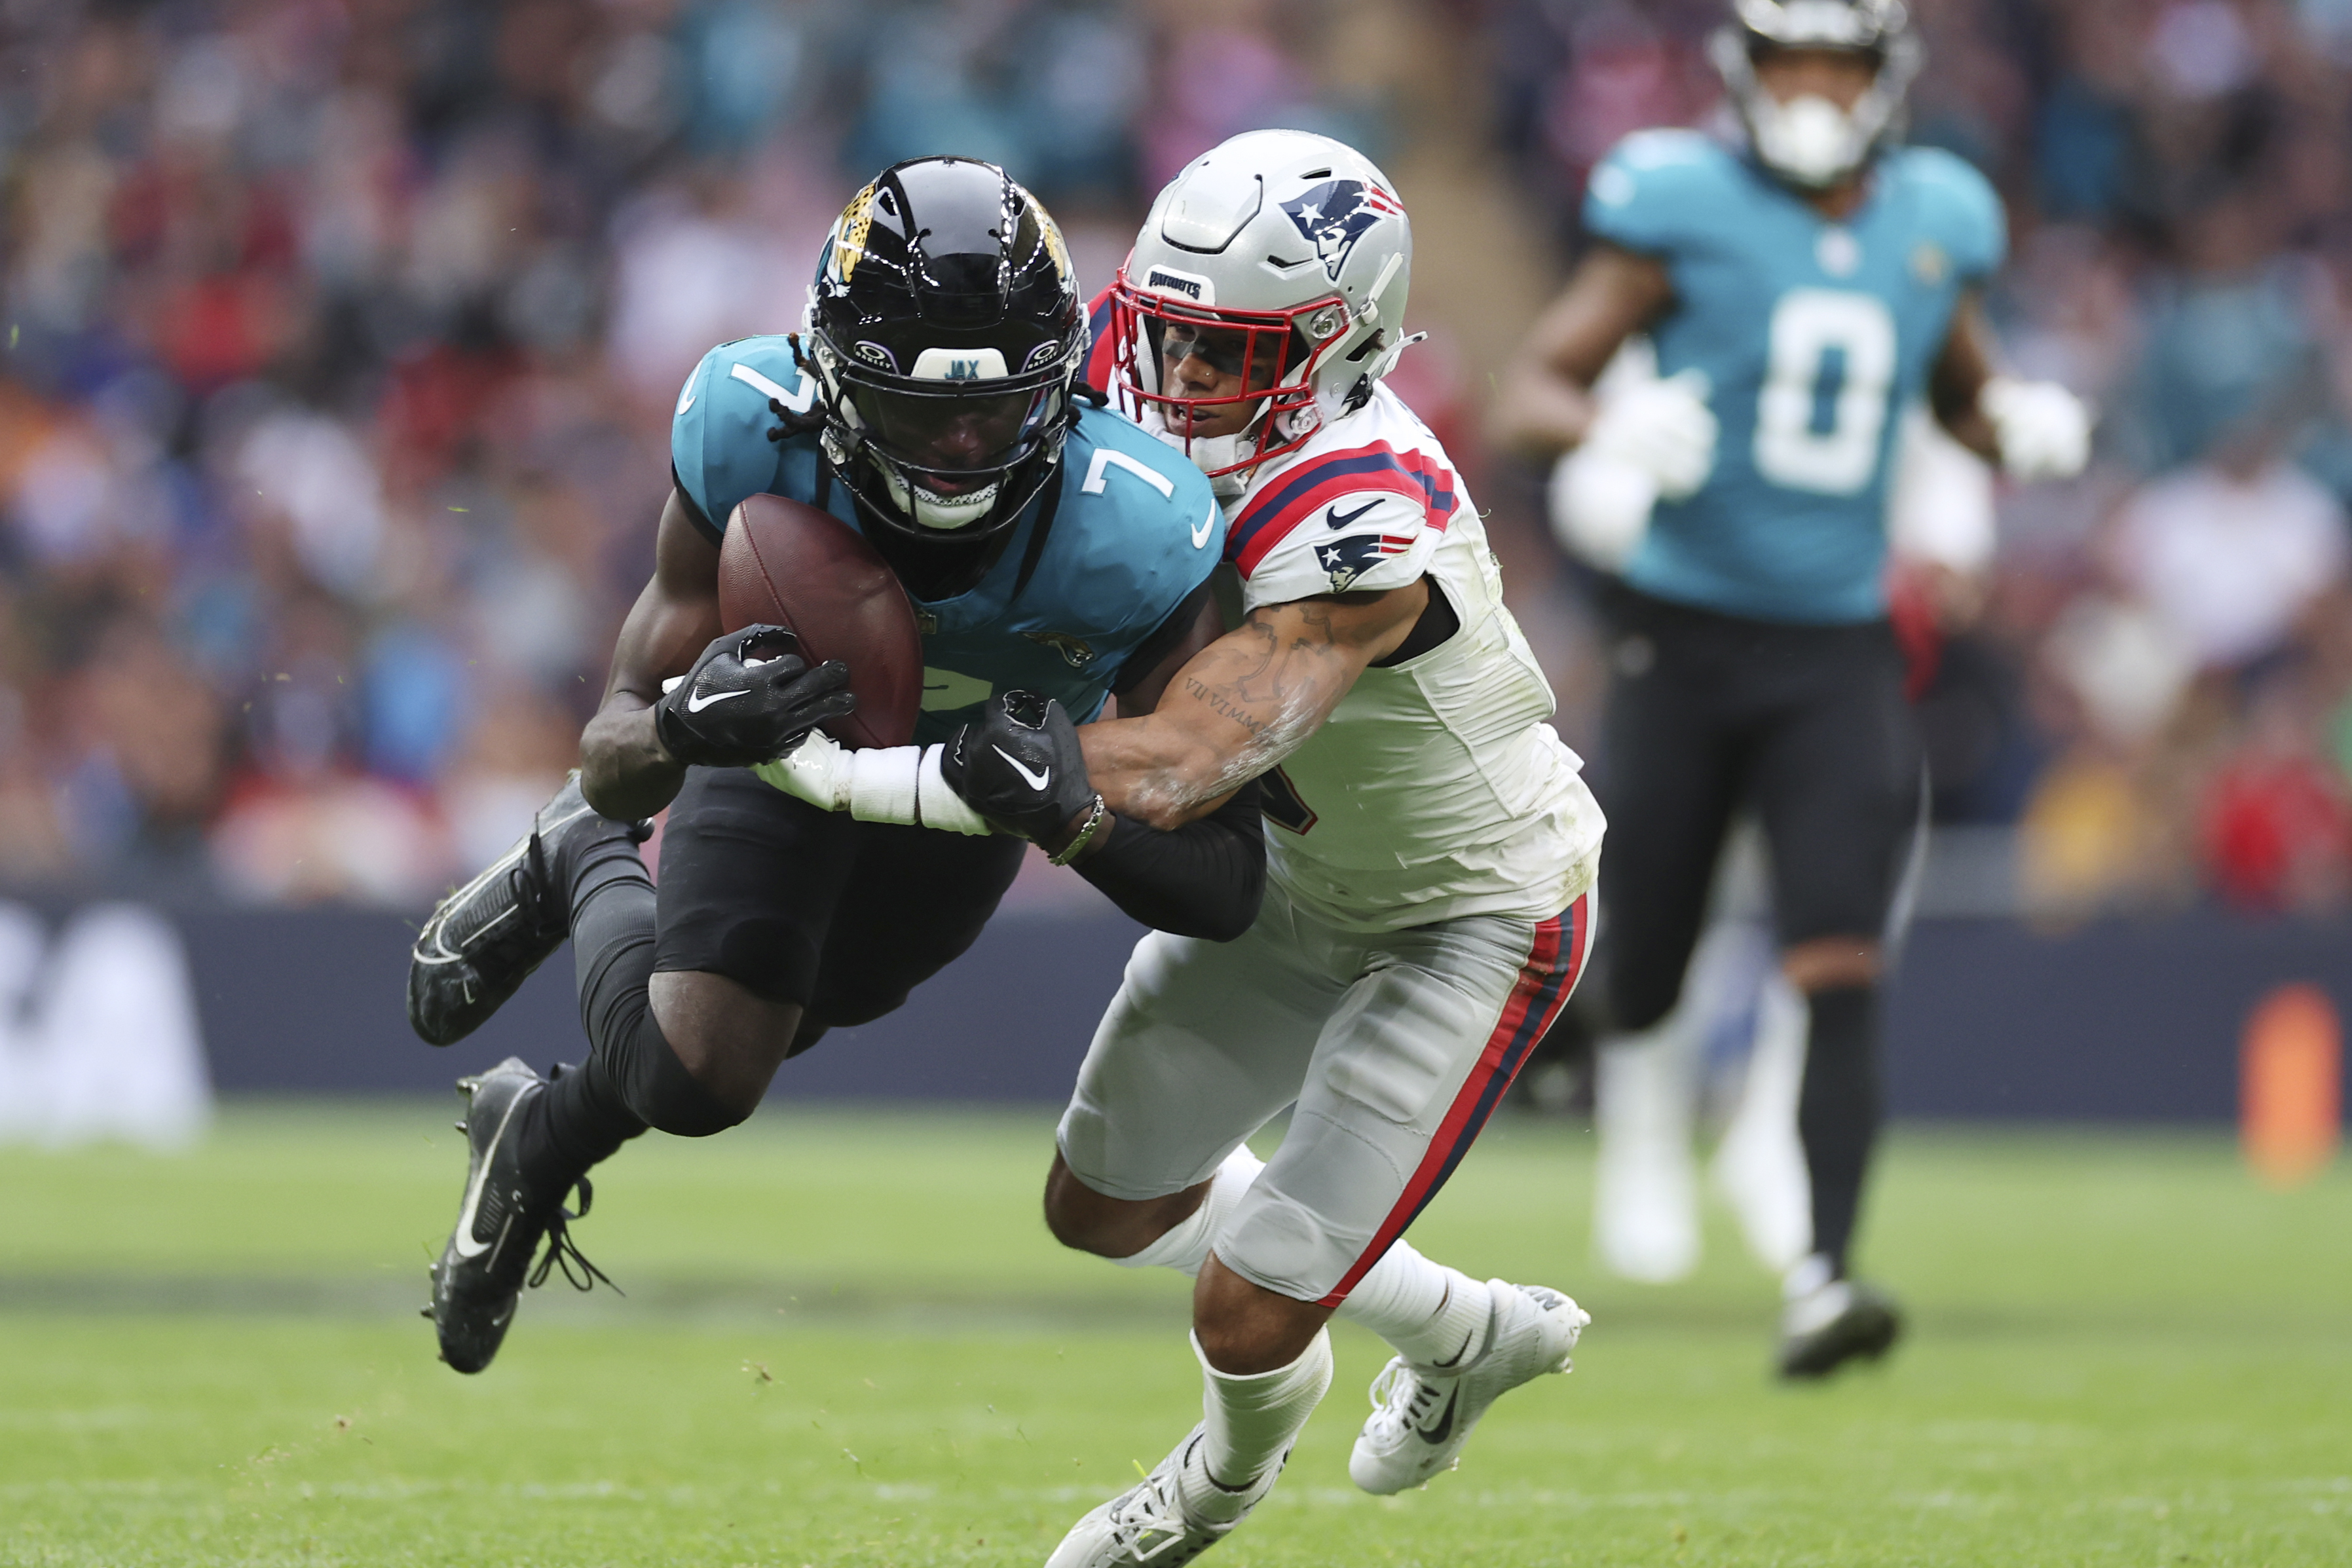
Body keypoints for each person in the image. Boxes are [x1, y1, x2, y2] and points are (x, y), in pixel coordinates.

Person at [774, 128, 1607, 1565]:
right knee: (1099, 1205)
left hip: (1467, 910)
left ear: (1342, 347)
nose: (1178, 376)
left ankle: (1203, 1497)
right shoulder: (1112, 352)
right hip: (1292, 890)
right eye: (1170, 332)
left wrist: (856, 774)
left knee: (1247, 1305)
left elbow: (1183, 759)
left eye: (1231, 353)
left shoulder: (1363, 504)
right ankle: (1470, 1331)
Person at [403, 157, 1269, 1376]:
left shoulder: (1142, 527)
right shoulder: (746, 424)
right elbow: (616, 738)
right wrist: (686, 727)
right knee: (705, 1072)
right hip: (786, 750)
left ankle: (534, 1134)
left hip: (964, 798)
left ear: (1057, 386)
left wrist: (1074, 814)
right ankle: (579, 853)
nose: (961, 448)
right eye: (921, 411)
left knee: (808, 1012)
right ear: (833, 380)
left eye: (995, 410)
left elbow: (1229, 880)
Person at [1493, 0, 2089, 1377]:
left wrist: (2007, 419)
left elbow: (1955, 384)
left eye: (1838, 63)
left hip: (1835, 646)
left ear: (1883, 78)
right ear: (1746, 72)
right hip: (1683, 642)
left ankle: (1825, 1273)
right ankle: (1548, 1046)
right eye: (1789, 61)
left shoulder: (1934, 214)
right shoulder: (1680, 201)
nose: (1813, 87)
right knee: (1641, 978)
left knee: (1838, 958)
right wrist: (1609, 422)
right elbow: (1535, 390)